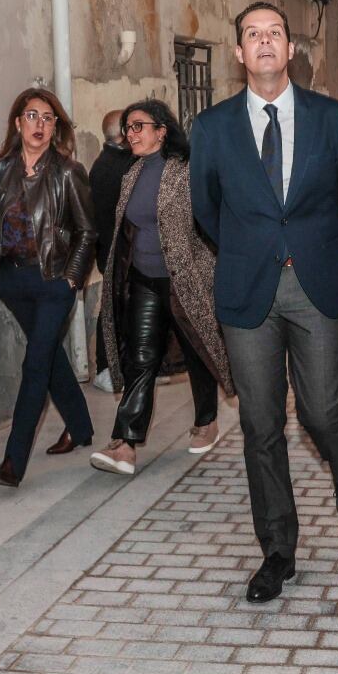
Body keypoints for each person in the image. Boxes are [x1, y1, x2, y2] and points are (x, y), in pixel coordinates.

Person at [190, 1, 338, 605]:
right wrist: (253, 249)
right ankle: (278, 550)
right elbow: (205, 210)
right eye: (252, 35)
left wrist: (315, 246)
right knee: (260, 424)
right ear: (239, 53)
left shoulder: (331, 117)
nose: (264, 43)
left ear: (291, 49)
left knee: (322, 410)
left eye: (274, 33)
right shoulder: (212, 128)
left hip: (317, 284)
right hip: (248, 291)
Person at [91, 99, 233, 476]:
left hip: (184, 280)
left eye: (138, 126)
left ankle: (206, 420)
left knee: (197, 351)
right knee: (142, 359)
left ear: (161, 130)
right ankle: (125, 443)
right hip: (144, 281)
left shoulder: (185, 171)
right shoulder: (131, 174)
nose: (131, 134)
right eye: (128, 128)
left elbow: (210, 218)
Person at [0, 88, 97, 488]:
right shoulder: (0, 170)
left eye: (48, 119)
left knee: (34, 365)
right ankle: (80, 428)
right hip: (13, 280)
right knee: (48, 357)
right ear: (17, 123)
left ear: (55, 127)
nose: (40, 125)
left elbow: (86, 231)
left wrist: (71, 280)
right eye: (32, 116)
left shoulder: (66, 172)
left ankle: (13, 461)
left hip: (52, 282)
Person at [87, 109, 135, 392]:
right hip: (118, 253)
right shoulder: (116, 167)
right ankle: (106, 368)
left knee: (118, 310)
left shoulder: (104, 163)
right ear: (122, 134)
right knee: (114, 311)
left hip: (113, 253)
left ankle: (113, 366)